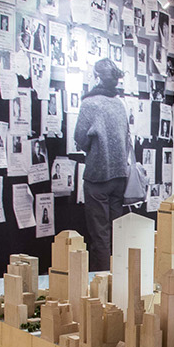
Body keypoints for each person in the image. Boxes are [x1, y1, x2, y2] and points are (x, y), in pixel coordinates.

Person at [74, 57, 131, 270]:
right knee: (117, 233)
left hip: (98, 177)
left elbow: (80, 138)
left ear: (96, 77)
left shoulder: (90, 104)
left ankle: (102, 285)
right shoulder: (119, 103)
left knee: (100, 236)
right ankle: (119, 280)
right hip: (120, 177)